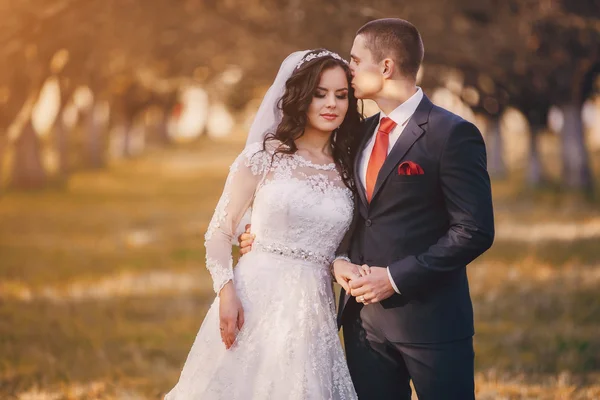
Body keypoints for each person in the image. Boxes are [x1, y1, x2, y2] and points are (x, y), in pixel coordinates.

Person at [239, 18, 495, 400]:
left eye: (356, 61)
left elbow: (473, 230)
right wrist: (268, 235)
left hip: (432, 322)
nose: (349, 69)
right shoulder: (357, 133)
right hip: (361, 326)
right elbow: (340, 210)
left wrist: (392, 278)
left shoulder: (451, 134)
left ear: (387, 67)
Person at [165, 49, 364, 400]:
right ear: (301, 96)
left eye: (341, 95)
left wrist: (339, 263)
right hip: (253, 299)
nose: (331, 103)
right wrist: (227, 294)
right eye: (320, 94)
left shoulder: (349, 168)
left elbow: (342, 245)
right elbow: (220, 230)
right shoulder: (265, 156)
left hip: (313, 310)